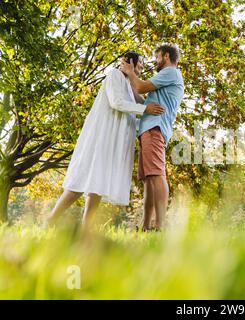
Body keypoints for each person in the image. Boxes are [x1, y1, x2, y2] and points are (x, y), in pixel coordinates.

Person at [47, 52, 164, 229]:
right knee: (82, 178)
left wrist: (150, 118)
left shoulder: (128, 84)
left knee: (97, 184)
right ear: (129, 62)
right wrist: (145, 109)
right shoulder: (114, 75)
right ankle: (51, 219)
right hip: (102, 136)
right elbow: (116, 102)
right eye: (139, 64)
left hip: (114, 141)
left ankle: (87, 229)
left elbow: (131, 112)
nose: (141, 69)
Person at [120, 44, 184, 231]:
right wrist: (128, 82)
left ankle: (161, 225)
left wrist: (130, 72)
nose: (155, 61)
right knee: (149, 179)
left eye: (157, 57)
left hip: (154, 129)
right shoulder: (165, 79)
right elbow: (142, 100)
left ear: (165, 56)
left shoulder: (171, 72)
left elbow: (140, 87)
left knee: (157, 175)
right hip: (148, 130)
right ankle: (146, 225)